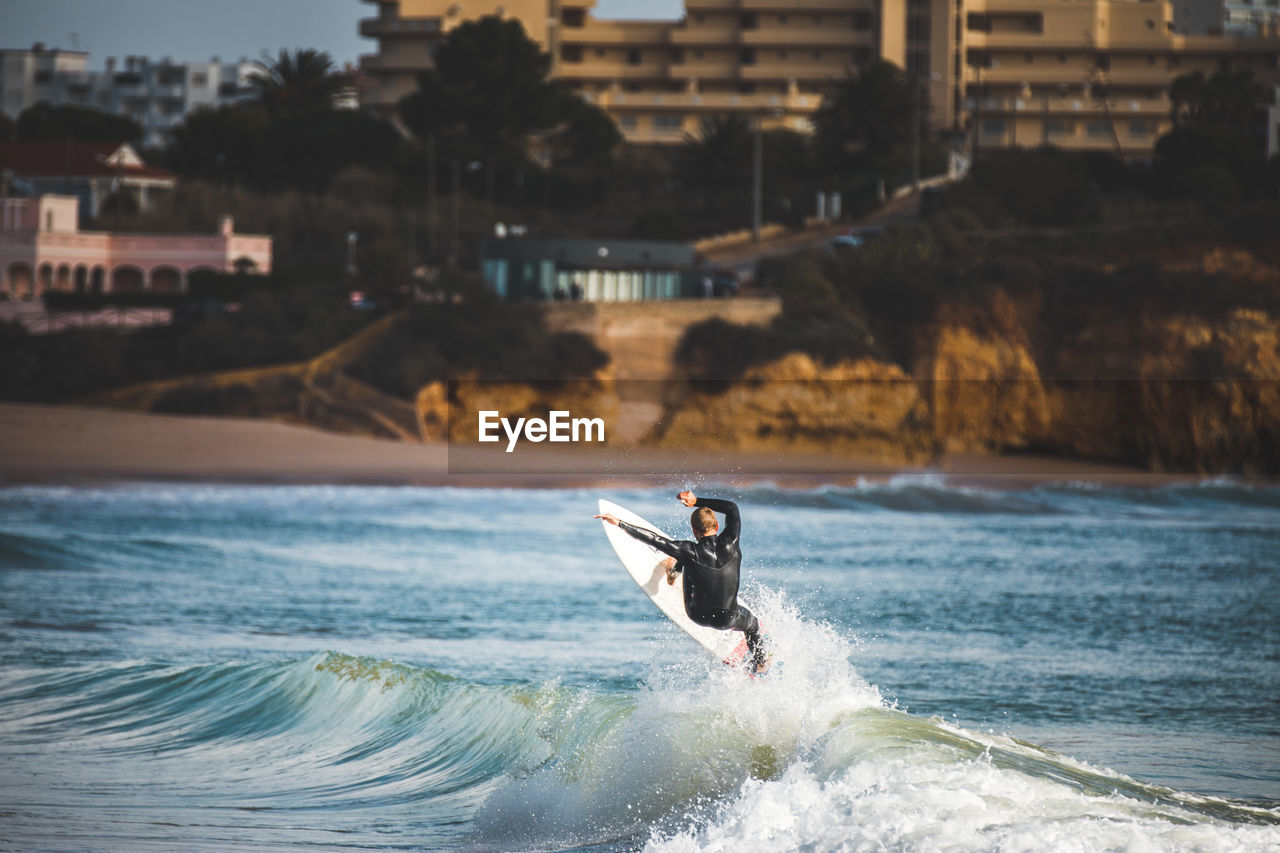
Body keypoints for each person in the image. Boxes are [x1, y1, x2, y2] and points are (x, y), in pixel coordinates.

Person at [595, 490, 769, 674]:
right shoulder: (731, 542)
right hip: (728, 618)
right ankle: (761, 662)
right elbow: (731, 508)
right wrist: (696, 501)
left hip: (697, 614)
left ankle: (674, 570)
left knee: (685, 557)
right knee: (752, 625)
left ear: (694, 530)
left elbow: (655, 539)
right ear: (717, 526)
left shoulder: (688, 549)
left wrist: (620, 523)